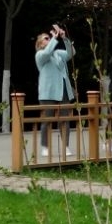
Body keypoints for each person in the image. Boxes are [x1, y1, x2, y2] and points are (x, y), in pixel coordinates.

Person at [35, 22, 76, 156]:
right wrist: (54, 38)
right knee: (47, 120)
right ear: (40, 44)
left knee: (65, 119)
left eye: (49, 37)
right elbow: (47, 53)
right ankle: (45, 147)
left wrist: (64, 38)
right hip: (48, 93)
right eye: (46, 38)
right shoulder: (40, 55)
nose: (49, 39)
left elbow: (71, 53)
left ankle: (66, 146)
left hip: (63, 90)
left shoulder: (58, 53)